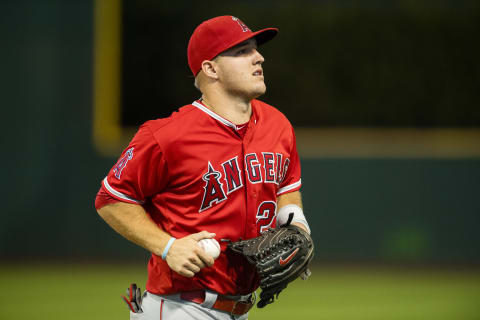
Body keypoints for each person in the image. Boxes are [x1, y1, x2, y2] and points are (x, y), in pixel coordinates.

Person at [95, 15, 311, 320]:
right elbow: (111, 199)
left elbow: (286, 189)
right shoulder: (166, 135)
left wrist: (297, 224)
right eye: (242, 51)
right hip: (180, 308)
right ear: (210, 69)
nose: (258, 57)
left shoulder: (278, 125)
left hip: (242, 307)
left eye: (256, 49)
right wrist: (168, 246)